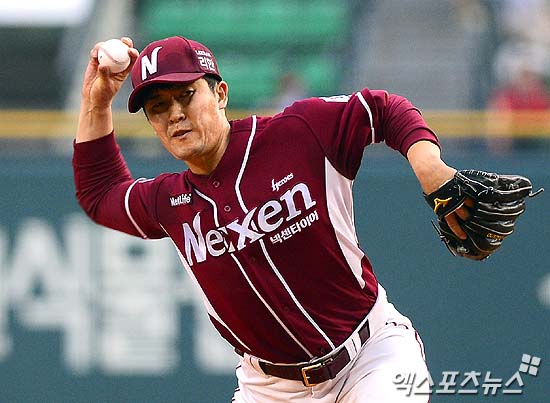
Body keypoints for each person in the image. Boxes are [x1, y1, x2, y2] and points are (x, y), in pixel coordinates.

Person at [73, 36, 469, 402]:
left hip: (370, 357)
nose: (175, 114)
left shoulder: (297, 133)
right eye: (159, 107)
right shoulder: (169, 202)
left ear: (220, 94)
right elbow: (100, 193)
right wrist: (96, 103)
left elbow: (381, 109)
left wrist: (429, 167)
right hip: (269, 390)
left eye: (186, 95)